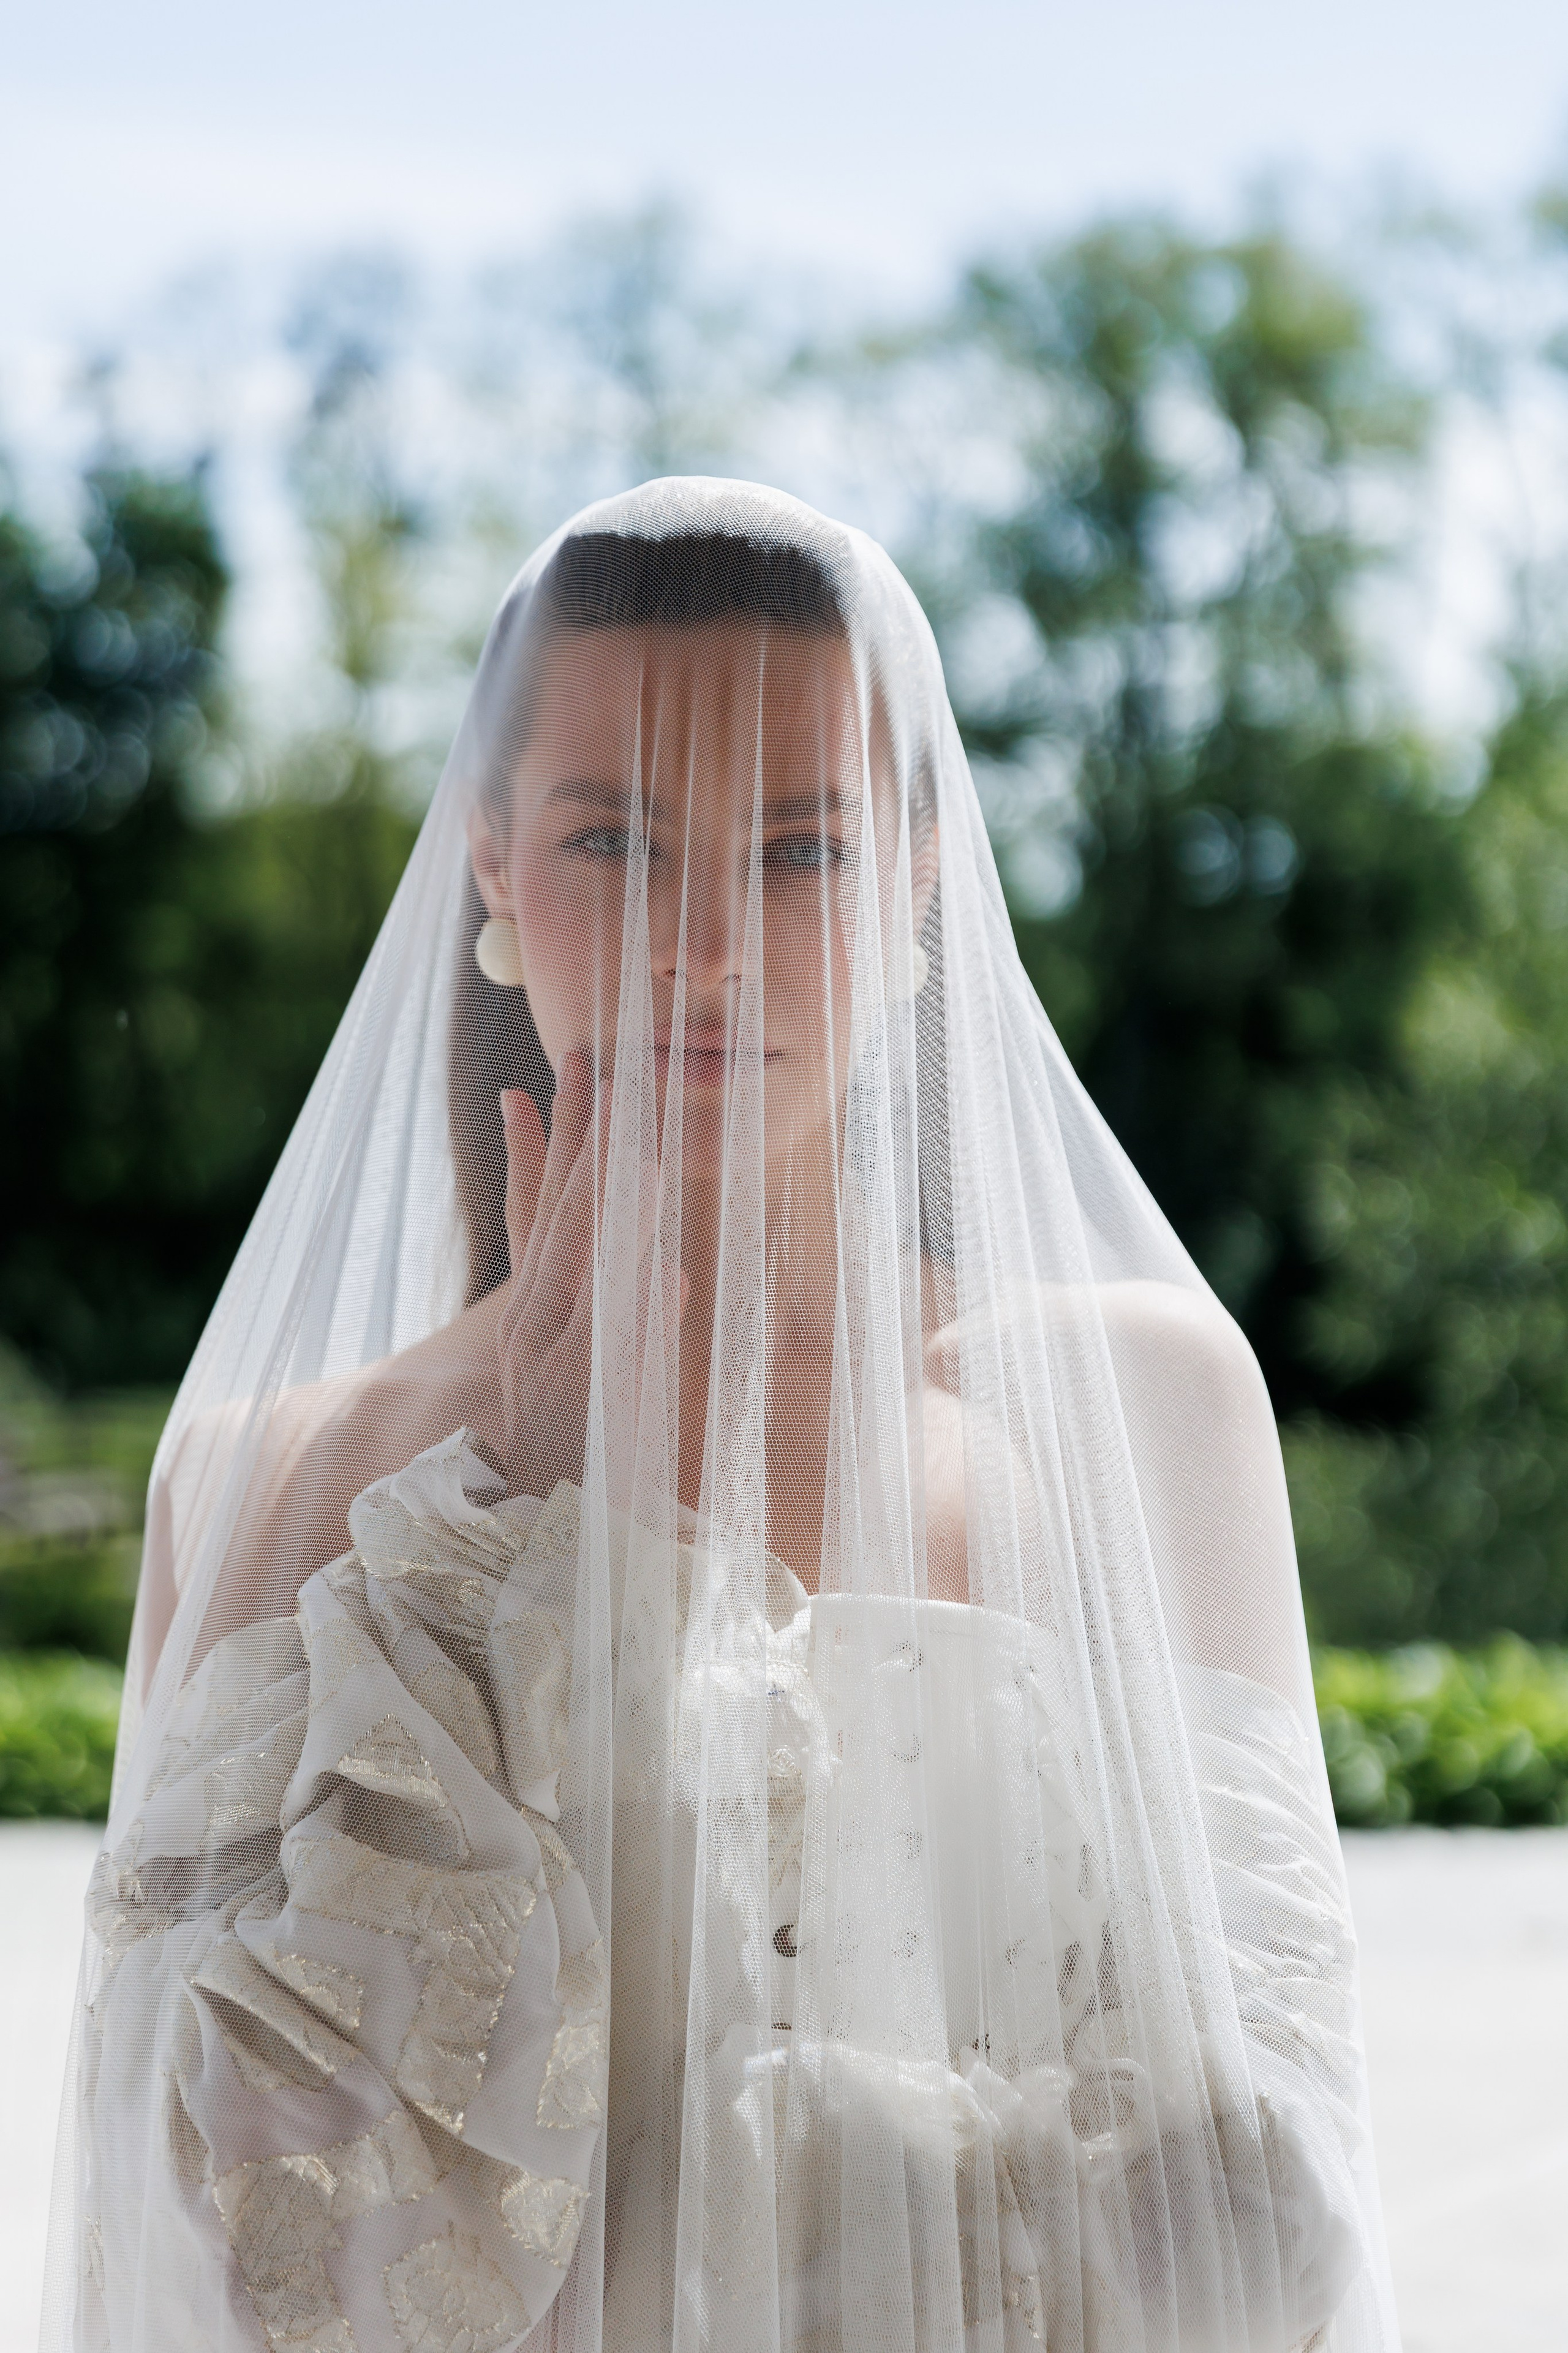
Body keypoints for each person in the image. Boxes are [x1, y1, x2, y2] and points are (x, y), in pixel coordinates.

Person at [46, 481, 1399, 2353]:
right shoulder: (272, 1478)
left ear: (918, 875)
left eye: (800, 847)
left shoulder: (1139, 1409)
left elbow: (1278, 2216)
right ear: (492, 856)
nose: (703, 945)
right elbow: (232, 2253)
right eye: (615, 836)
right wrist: (511, 1528)